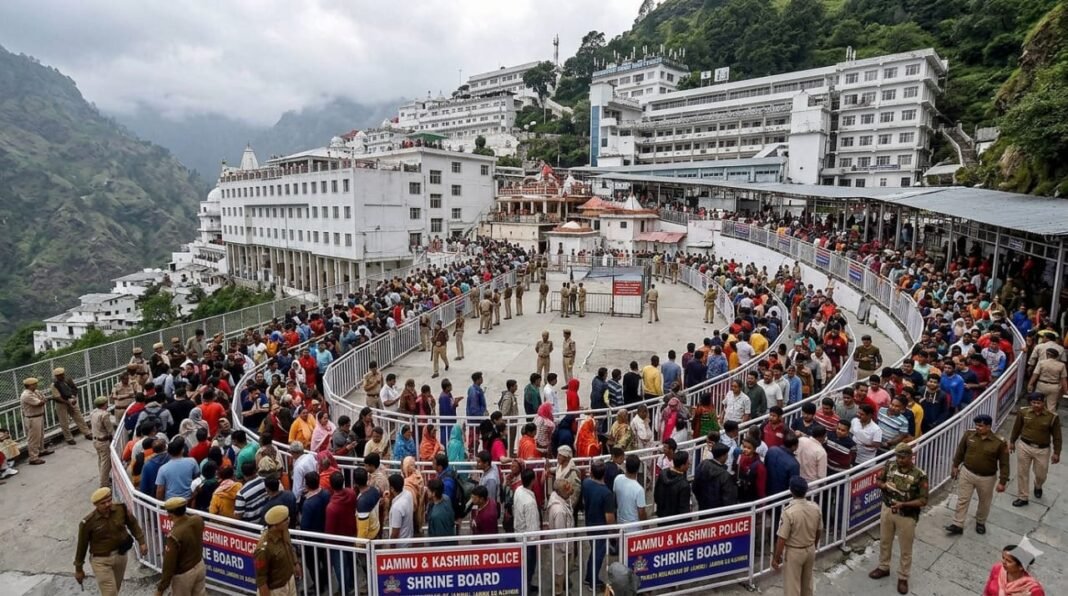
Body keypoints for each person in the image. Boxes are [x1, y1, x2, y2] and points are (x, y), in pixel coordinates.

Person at [869, 443, 928, 595]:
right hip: (887, 509)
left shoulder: (919, 475)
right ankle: (883, 567)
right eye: (898, 457)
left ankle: (903, 577)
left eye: (903, 457)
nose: (900, 460)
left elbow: (923, 500)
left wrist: (904, 504)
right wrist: (884, 486)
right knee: (885, 540)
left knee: (905, 548)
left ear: (910, 457)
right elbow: (878, 480)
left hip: (907, 515)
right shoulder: (890, 466)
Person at [74, 488, 148, 596]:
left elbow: (132, 524)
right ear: (96, 505)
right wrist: (78, 569)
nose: (108, 504)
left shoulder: (120, 509)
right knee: (110, 593)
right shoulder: (88, 523)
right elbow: (81, 547)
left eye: (109, 500)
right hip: (101, 561)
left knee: (115, 589)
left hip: (121, 556)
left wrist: (141, 541)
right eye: (103, 503)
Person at [946, 414, 1009, 535]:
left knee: (984, 502)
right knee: (962, 499)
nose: (977, 428)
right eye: (977, 425)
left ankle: (980, 522)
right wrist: (955, 465)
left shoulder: (999, 442)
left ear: (988, 427)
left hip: (987, 478)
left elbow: (1004, 463)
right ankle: (958, 524)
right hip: (967, 473)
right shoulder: (969, 435)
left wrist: (1003, 481)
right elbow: (960, 451)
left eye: (981, 426)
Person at [1009, 392, 1062, 507]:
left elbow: (1057, 436)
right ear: (1030, 403)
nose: (1036, 405)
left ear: (1043, 403)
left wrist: (1057, 452)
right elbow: (1016, 428)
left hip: (1042, 450)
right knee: (1022, 472)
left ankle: (1038, 485)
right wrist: (1012, 441)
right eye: (1034, 402)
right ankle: (1023, 497)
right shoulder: (1023, 412)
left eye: (1039, 403)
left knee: (1041, 474)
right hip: (1024, 446)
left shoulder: (1052, 417)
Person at [772, 477, 823, 596]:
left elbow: (782, 538)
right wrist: (814, 545)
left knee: (792, 588)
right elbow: (819, 530)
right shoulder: (815, 508)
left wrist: (776, 558)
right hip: (810, 549)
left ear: (791, 491)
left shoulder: (789, 512)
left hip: (794, 552)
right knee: (807, 586)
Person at [156, 497, 206, 596]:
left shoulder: (174, 536)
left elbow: (168, 565)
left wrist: (161, 589)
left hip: (184, 575)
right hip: (200, 565)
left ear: (170, 515)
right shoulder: (197, 520)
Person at [582, 461, 617, 591]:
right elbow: (609, 518)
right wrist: (613, 531)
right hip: (600, 528)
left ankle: (588, 577)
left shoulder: (586, 483)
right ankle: (593, 582)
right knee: (598, 555)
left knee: (594, 552)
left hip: (589, 524)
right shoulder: (606, 493)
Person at [254, 505, 301, 596]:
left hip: (289, 581)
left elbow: (289, 546)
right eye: (285, 519)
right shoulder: (263, 549)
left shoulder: (284, 531)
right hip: (276, 590)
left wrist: (295, 563)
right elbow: (261, 579)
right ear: (275, 525)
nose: (288, 520)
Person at [982, 539, 1046, 596]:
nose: (1003, 562)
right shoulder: (997, 568)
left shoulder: (1033, 589)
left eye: (1009, 561)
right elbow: (987, 591)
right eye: (1003, 558)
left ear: (1021, 566)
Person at [513, 468, 541, 593]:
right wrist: (536, 540)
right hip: (528, 540)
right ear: (533, 481)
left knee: (524, 566)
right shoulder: (530, 503)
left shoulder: (518, 490)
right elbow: (532, 527)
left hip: (519, 534)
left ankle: (526, 586)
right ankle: (526, 589)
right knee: (529, 566)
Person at [547, 478, 575, 594]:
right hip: (561, 550)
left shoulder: (559, 499)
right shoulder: (559, 511)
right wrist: (566, 551)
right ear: (561, 491)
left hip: (560, 548)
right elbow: (561, 534)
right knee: (559, 575)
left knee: (560, 573)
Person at [51, 368, 93, 445]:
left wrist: (74, 397)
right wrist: (68, 402)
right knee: (64, 421)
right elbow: (57, 397)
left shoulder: (68, 380)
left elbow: (74, 388)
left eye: (62, 374)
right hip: (61, 403)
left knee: (79, 417)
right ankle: (69, 438)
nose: (61, 376)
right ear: (56, 376)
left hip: (71, 400)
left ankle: (87, 433)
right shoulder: (54, 385)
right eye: (59, 375)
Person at [20, 377, 53, 465]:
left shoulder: (35, 391)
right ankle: (33, 458)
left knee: (40, 436)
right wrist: (43, 400)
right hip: (32, 418)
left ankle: (41, 450)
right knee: (33, 439)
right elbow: (39, 403)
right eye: (34, 384)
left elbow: (43, 398)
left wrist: (43, 400)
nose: (36, 385)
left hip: (39, 416)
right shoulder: (26, 395)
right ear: (30, 385)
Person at [694, 443, 737, 510]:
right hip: (717, 511)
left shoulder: (702, 465)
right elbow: (728, 500)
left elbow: (695, 486)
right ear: (723, 456)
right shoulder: (725, 476)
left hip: (702, 507)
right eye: (727, 454)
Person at [1028, 347, 1067, 412]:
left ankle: (1036, 416)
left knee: (1037, 402)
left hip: (1041, 385)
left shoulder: (1041, 363)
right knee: (1051, 406)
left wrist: (1030, 384)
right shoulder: (1061, 365)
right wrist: (1066, 390)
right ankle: (1050, 418)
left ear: (1048, 354)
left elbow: (1035, 374)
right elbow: (1063, 379)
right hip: (1054, 386)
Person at [653, 451, 691, 517]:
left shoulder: (662, 474)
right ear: (682, 466)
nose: (689, 464)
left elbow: (656, 497)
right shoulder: (684, 485)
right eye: (687, 463)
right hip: (675, 520)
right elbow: (684, 509)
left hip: (661, 516)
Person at [89, 396, 115, 487]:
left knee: (101, 461)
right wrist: (114, 438)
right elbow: (110, 429)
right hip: (103, 441)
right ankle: (104, 484)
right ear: (104, 404)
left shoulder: (93, 413)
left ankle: (104, 478)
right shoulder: (104, 415)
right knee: (106, 463)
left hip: (95, 440)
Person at [388, 473, 414, 548]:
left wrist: (391, 547)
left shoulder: (397, 507)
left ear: (392, 488)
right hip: (408, 540)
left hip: (400, 546)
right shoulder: (408, 494)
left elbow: (395, 532)